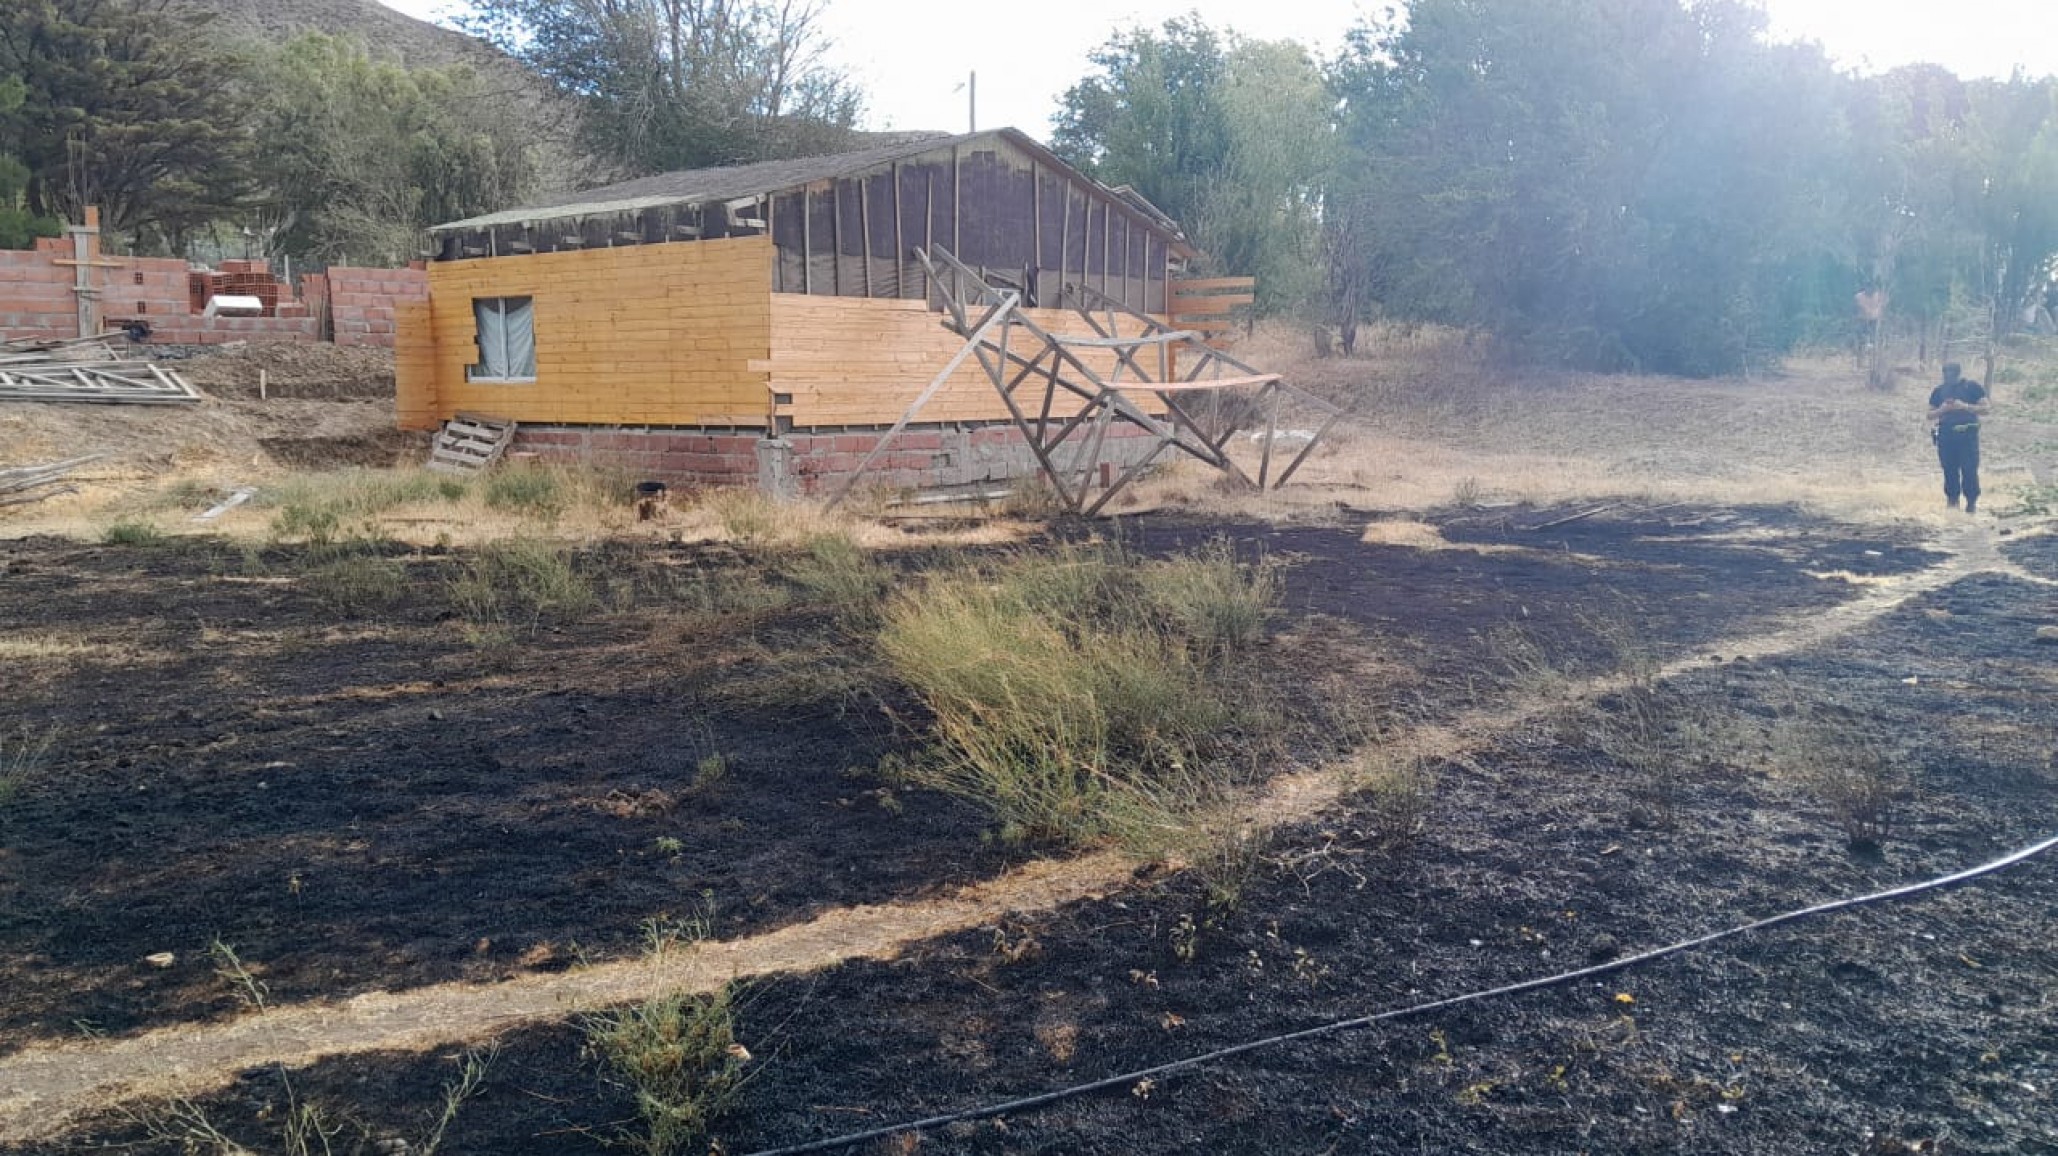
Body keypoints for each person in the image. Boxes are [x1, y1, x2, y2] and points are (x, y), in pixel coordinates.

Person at [1927, 362, 1988, 513]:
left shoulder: (1971, 387)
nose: (1948, 377)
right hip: (1946, 436)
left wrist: (1965, 406)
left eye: (1951, 374)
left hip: (1967, 436)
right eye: (1946, 374)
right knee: (1949, 470)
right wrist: (1943, 409)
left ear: (1958, 374)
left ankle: (1971, 503)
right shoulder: (1939, 391)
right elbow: (1929, 414)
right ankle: (1952, 502)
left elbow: (1986, 409)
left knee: (1969, 470)